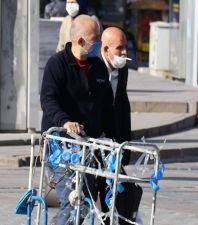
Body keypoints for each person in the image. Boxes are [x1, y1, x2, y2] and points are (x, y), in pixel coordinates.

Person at [40, 15, 113, 225]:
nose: (99, 43)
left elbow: (106, 106)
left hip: (89, 146)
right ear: (80, 40)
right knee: (74, 201)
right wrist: (65, 122)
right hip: (61, 146)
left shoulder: (98, 67)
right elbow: (48, 100)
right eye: (95, 38)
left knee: (85, 201)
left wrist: (111, 137)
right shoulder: (57, 64)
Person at [100, 27, 132, 166]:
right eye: (119, 48)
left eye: (125, 47)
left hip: (115, 133)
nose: (124, 52)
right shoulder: (94, 66)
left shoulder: (123, 67)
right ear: (106, 50)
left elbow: (122, 101)